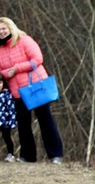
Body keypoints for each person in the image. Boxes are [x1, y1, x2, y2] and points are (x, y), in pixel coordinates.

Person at [0, 17, 63, 163]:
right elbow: (2, 70)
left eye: (3, 28)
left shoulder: (24, 40)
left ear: (10, 27)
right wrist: (5, 73)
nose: (1, 32)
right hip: (17, 91)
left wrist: (16, 69)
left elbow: (37, 59)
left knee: (45, 120)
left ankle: (55, 155)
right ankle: (27, 156)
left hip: (35, 87)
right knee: (23, 123)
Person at [0, 79, 16, 162]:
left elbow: (11, 109)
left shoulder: (7, 94)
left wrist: (12, 121)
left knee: (7, 137)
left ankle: (11, 154)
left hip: (5, 121)